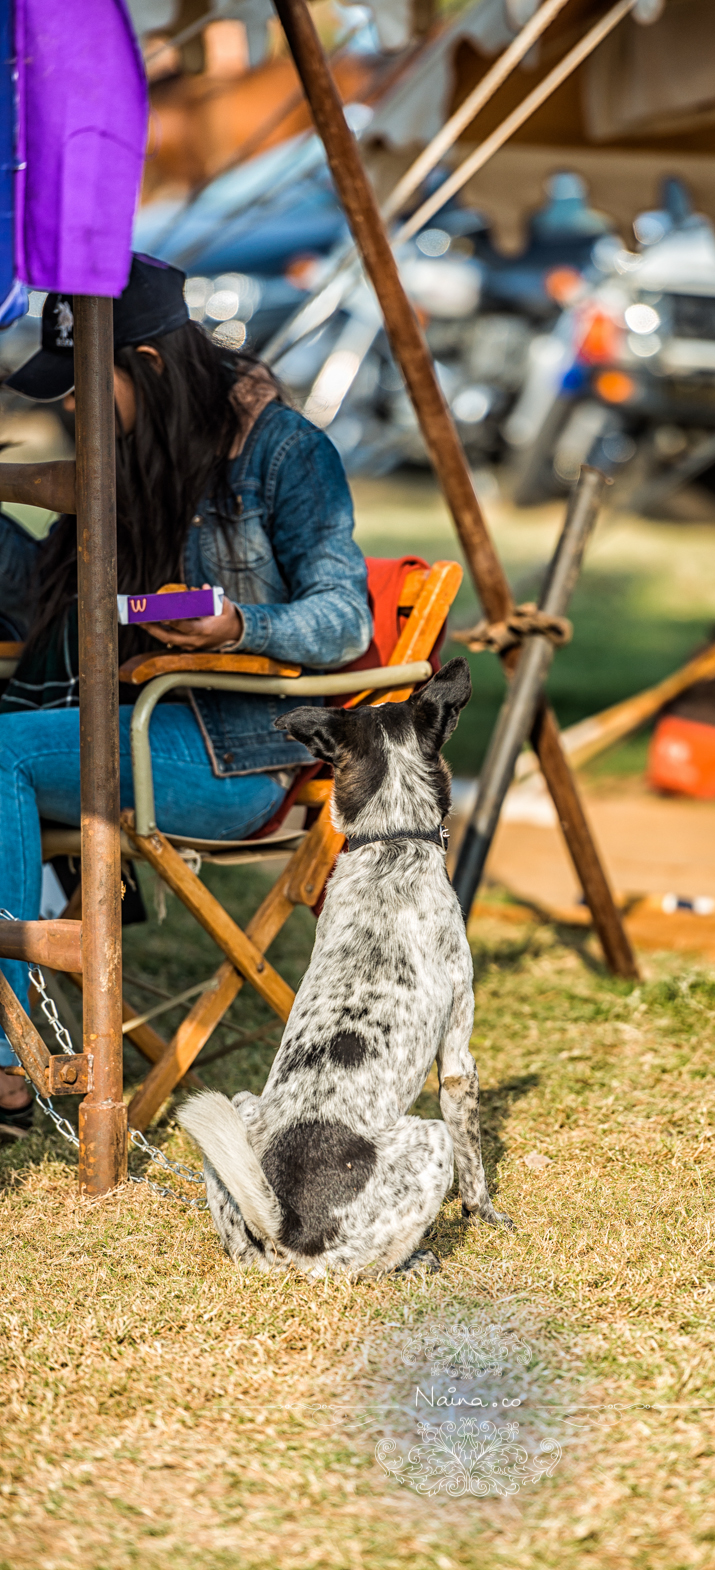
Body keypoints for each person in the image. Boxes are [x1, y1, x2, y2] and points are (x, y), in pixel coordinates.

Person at [0, 253, 372, 1132]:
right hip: (119, 727)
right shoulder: (129, 456)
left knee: (0, 753)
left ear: (151, 367)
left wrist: (238, 625)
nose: (69, 409)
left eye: (86, 387)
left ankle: (9, 1066)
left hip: (227, 753)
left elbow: (345, 616)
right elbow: (47, 601)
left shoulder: (281, 451)